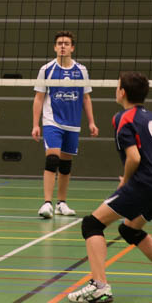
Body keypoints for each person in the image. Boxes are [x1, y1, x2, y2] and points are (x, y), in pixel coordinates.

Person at [68, 72, 152, 303]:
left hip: (145, 184)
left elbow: (134, 157)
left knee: (92, 224)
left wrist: (126, 181)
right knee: (130, 229)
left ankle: (99, 286)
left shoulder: (123, 118)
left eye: (117, 86)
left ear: (122, 92)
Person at [31, 30, 98, 219]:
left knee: (66, 165)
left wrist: (91, 122)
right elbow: (38, 98)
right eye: (59, 43)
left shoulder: (81, 70)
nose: (62, 46)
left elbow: (86, 98)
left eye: (66, 43)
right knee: (52, 159)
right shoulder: (47, 69)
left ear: (72, 48)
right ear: (55, 47)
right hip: (52, 121)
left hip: (73, 123)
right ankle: (47, 203)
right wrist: (36, 124)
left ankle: (61, 203)